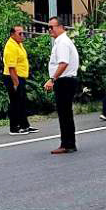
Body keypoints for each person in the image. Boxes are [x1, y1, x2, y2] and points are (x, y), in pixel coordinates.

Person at [43, 17, 80, 154]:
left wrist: (52, 79)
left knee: (64, 114)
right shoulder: (62, 41)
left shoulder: (62, 42)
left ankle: (67, 144)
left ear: (60, 27)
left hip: (64, 81)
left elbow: (63, 63)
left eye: (51, 27)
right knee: (65, 113)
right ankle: (68, 143)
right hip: (65, 80)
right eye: (48, 27)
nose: (49, 30)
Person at [2, 23, 36, 134]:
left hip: (20, 77)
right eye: (20, 33)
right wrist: (16, 83)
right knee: (15, 102)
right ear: (12, 34)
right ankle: (14, 127)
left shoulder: (18, 44)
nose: (22, 35)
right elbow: (11, 67)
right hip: (13, 77)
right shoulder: (10, 46)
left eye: (23, 33)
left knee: (21, 101)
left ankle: (24, 125)